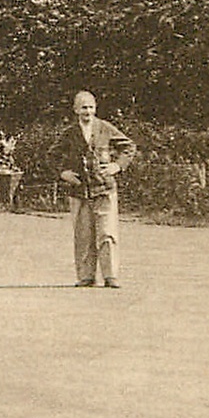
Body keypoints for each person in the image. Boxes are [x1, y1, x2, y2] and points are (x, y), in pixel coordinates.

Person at [49, 91, 136, 288]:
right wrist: (63, 173)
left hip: (104, 188)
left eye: (90, 107)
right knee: (83, 234)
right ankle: (86, 276)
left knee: (107, 232)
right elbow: (52, 155)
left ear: (95, 108)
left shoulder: (105, 128)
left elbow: (129, 147)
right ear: (75, 110)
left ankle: (110, 275)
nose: (87, 111)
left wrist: (117, 166)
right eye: (83, 107)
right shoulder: (70, 132)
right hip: (79, 191)